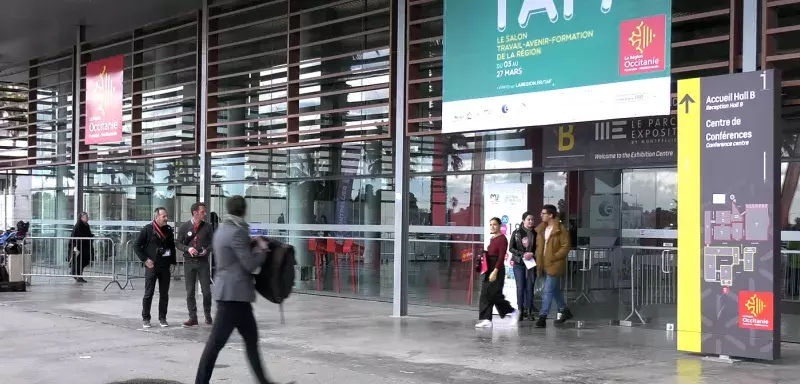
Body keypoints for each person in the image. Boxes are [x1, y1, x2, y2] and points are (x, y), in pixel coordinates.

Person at [195, 196, 290, 384]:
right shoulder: (238, 233)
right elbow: (249, 264)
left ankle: (265, 382)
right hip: (234, 297)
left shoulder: (222, 230)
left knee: (250, 342)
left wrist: (250, 244)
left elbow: (233, 256)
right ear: (243, 210)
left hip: (233, 296)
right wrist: (262, 250)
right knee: (216, 345)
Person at [134, 207, 177, 328]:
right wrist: (145, 260)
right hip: (151, 267)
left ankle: (162, 318)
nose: (166, 218)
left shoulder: (168, 229)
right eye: (164, 216)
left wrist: (173, 262)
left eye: (166, 216)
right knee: (149, 293)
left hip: (165, 266)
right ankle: (146, 318)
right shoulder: (147, 229)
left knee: (164, 294)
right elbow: (136, 246)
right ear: (156, 217)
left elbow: (172, 247)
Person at [475, 217, 519, 328]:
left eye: (494, 224)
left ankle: (513, 312)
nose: (492, 226)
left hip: (496, 269)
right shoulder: (493, 239)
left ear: (499, 226)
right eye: (490, 224)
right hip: (488, 268)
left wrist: (495, 271)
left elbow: (501, 257)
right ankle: (487, 319)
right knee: (485, 294)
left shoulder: (502, 239)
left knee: (494, 295)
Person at [176, 202, 214, 327]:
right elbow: (178, 243)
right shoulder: (185, 227)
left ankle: (207, 314)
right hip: (189, 262)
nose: (205, 214)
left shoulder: (208, 227)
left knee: (206, 291)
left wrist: (206, 250)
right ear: (195, 212)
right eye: (203, 211)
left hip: (203, 262)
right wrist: (188, 249)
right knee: (190, 291)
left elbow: (214, 243)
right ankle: (193, 317)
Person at [535, 204, 573, 328]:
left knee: (547, 291)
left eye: (543, 213)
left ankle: (543, 317)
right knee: (554, 290)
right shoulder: (541, 230)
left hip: (554, 264)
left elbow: (565, 246)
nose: (541, 215)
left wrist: (554, 257)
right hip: (543, 263)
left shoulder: (560, 229)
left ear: (551, 215)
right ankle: (565, 310)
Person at [509, 211, 538, 321]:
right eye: (528, 219)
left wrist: (532, 254)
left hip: (531, 264)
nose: (531, 221)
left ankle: (529, 311)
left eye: (532, 219)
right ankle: (520, 311)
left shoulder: (536, 233)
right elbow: (511, 248)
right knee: (520, 287)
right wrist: (522, 254)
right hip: (519, 263)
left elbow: (538, 248)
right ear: (523, 220)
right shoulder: (517, 233)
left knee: (530, 288)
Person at [68, 212, 94, 283]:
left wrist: (91, 236)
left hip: (84, 247)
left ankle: (75, 273)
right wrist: (75, 247)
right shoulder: (79, 225)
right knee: (79, 262)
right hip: (79, 247)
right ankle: (78, 275)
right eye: (86, 217)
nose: (87, 218)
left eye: (87, 216)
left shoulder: (86, 224)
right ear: (82, 218)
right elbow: (76, 236)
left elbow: (87, 234)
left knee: (84, 262)